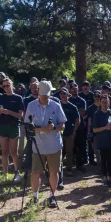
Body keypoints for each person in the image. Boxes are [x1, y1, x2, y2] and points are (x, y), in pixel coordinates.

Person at [24, 80, 66, 208]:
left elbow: (63, 125)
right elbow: (27, 126)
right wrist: (42, 129)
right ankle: (35, 196)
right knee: (35, 172)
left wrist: (53, 128)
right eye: (43, 95)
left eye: (47, 95)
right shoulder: (31, 106)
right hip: (38, 145)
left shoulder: (56, 105)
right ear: (38, 94)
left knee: (54, 172)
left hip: (54, 145)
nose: (45, 98)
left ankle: (51, 196)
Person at [0, 78, 24, 181]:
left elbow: (20, 115)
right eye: (4, 86)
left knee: (14, 152)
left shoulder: (18, 98)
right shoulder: (0, 97)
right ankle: (5, 175)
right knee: (4, 152)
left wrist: (9, 112)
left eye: (8, 85)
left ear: (12, 85)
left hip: (13, 127)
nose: (6, 88)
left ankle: (17, 173)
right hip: (2, 126)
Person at [92, 95, 111, 186]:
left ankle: (110, 178)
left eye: (106, 102)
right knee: (103, 160)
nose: (104, 104)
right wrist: (105, 128)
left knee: (110, 160)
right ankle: (104, 178)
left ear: (109, 103)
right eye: (103, 102)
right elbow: (94, 130)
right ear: (100, 103)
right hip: (101, 141)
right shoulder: (97, 114)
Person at [58, 87, 81, 182]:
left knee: (69, 152)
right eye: (61, 94)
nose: (63, 96)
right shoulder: (57, 105)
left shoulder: (73, 107)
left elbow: (77, 119)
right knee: (58, 152)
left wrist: (74, 130)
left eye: (65, 94)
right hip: (58, 133)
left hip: (69, 133)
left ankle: (69, 169)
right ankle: (58, 170)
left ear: (68, 95)